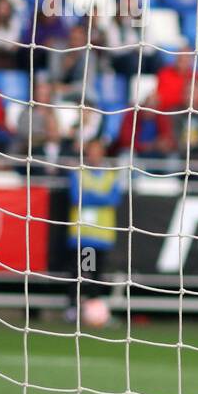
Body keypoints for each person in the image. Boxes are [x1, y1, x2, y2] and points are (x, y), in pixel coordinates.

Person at [65, 137, 123, 324]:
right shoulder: (79, 173)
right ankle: (75, 308)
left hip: (102, 235)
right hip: (84, 234)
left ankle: (92, 310)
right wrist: (100, 198)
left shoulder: (111, 175)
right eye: (91, 150)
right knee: (82, 273)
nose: (94, 154)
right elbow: (76, 197)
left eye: (98, 150)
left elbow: (113, 200)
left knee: (97, 275)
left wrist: (90, 196)